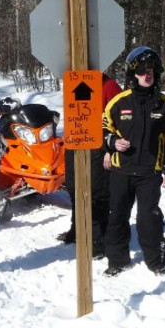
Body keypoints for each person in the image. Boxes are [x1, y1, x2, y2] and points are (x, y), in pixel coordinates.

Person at [101, 46, 165, 276]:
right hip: (121, 171)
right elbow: (102, 129)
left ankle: (155, 261)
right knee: (117, 216)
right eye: (142, 71)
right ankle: (117, 260)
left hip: (150, 172)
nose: (148, 75)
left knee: (149, 218)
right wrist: (112, 143)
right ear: (133, 74)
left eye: (152, 71)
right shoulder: (118, 102)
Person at [60, 72, 123, 257]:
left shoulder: (109, 85)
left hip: (98, 146)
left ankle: (99, 239)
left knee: (97, 193)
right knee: (73, 188)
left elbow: (120, 119)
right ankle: (77, 229)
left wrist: (110, 150)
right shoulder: (72, 80)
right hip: (74, 141)